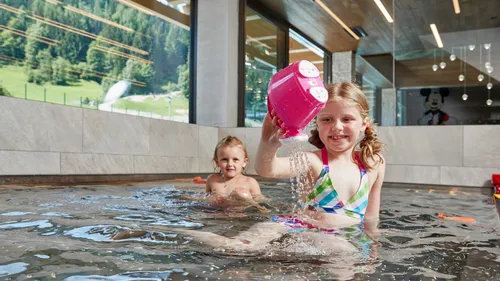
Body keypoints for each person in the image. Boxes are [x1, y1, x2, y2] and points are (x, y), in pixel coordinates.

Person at [177, 82, 386, 257]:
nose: (336, 126)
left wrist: (372, 249)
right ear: (317, 123)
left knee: (345, 253)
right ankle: (173, 232)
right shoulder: (313, 161)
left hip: (340, 236)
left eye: (347, 119)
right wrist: (268, 144)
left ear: (363, 124)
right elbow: (268, 170)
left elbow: (371, 218)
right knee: (237, 247)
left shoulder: (374, 164)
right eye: (327, 119)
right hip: (298, 226)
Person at [179, 135, 271, 213]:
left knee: (241, 193)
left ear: (244, 162)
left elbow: (261, 201)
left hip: (241, 215)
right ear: (217, 162)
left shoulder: (250, 182)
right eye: (224, 160)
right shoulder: (212, 180)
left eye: (235, 159)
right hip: (217, 214)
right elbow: (206, 199)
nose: (230, 164)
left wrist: (247, 199)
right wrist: (190, 198)